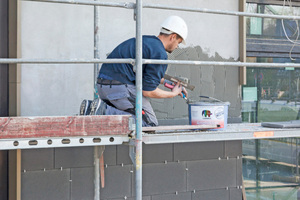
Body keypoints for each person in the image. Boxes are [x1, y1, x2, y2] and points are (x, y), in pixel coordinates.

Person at [97, 15, 188, 126]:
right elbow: (148, 91)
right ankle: (102, 111)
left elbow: (144, 75)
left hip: (103, 86)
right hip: (119, 89)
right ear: (173, 37)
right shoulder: (160, 54)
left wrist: (165, 82)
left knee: (131, 118)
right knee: (149, 123)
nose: (177, 47)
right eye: (178, 43)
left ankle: (98, 109)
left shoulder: (146, 41)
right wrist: (173, 94)